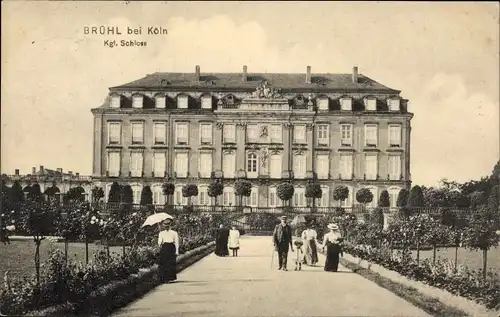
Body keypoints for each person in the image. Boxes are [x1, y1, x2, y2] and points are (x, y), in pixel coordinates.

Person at [157, 218, 179, 283]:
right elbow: (159, 243)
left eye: (168, 225)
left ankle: (169, 278)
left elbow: (176, 242)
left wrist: (177, 251)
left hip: (171, 247)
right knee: (164, 263)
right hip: (164, 248)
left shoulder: (174, 233)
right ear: (163, 226)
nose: (166, 227)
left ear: (170, 225)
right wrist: (159, 240)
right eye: (165, 225)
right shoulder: (161, 233)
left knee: (170, 263)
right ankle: (164, 278)